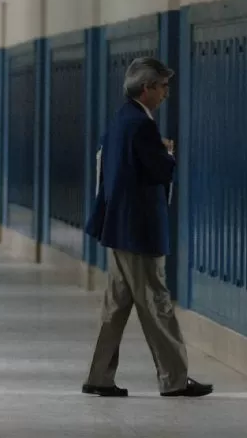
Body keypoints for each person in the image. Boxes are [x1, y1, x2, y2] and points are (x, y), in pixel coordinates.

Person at [82, 57, 212, 399]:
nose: (166, 92)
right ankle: (174, 379)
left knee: (117, 304)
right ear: (147, 88)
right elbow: (160, 171)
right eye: (163, 86)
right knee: (157, 303)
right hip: (138, 231)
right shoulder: (141, 125)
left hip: (120, 228)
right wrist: (167, 152)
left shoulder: (122, 119)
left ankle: (99, 376)